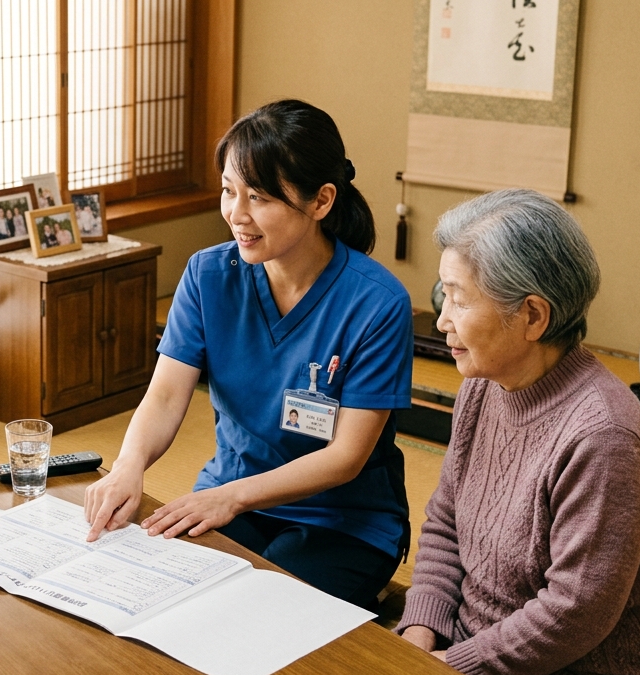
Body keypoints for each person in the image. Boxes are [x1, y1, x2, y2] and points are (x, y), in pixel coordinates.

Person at [83, 99, 414, 610]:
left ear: (322, 200)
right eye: (228, 190)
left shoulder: (376, 303)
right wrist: (129, 464)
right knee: (163, 600)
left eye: (258, 197)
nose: (236, 215)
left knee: (254, 616)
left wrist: (230, 497)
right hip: (230, 497)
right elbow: (168, 395)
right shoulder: (207, 275)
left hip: (342, 521)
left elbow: (346, 457)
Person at [397, 189, 640, 675]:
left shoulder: (602, 435)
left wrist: (450, 671)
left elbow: (572, 615)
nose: (443, 319)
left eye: (458, 299)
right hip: (481, 644)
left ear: (532, 315)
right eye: (442, 294)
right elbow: (445, 522)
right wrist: (418, 636)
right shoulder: (484, 382)